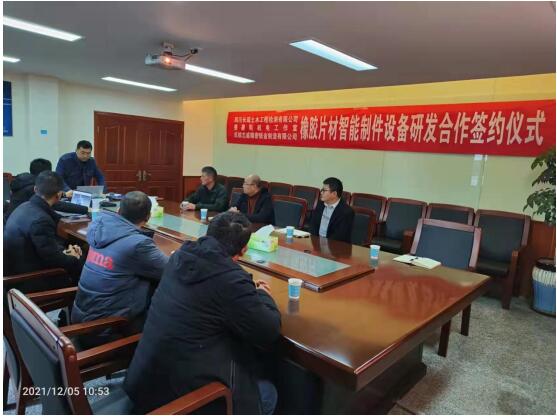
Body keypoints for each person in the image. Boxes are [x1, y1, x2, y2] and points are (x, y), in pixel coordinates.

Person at [124, 212, 281, 415]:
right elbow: (268, 331)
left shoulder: (179, 256)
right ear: (243, 250)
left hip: (145, 383)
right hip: (183, 399)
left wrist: (246, 288)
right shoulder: (230, 280)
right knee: (267, 394)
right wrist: (262, 295)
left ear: (207, 234)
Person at [71, 191, 169, 346]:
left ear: (118, 211)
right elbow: (171, 271)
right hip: (107, 329)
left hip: (80, 318)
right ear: (148, 217)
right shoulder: (138, 244)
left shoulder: (98, 226)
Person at [4, 171, 83, 288]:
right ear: (59, 195)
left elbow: (47, 250)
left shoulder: (24, 206)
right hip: (29, 280)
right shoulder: (41, 221)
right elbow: (53, 259)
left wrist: (66, 252)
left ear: (35, 189)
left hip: (18, 268)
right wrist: (72, 257)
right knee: (81, 262)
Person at [4, 158, 88, 223]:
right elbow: (55, 204)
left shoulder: (25, 181)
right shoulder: (33, 187)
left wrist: (64, 195)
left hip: (12, 223)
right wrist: (86, 209)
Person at [309, 177, 354, 243]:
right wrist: (315, 241)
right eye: (321, 190)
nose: (321, 192)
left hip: (335, 246)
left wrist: (323, 244)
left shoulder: (346, 212)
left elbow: (339, 236)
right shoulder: (320, 204)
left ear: (334, 194)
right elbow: (313, 225)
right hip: (317, 242)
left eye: (324, 190)